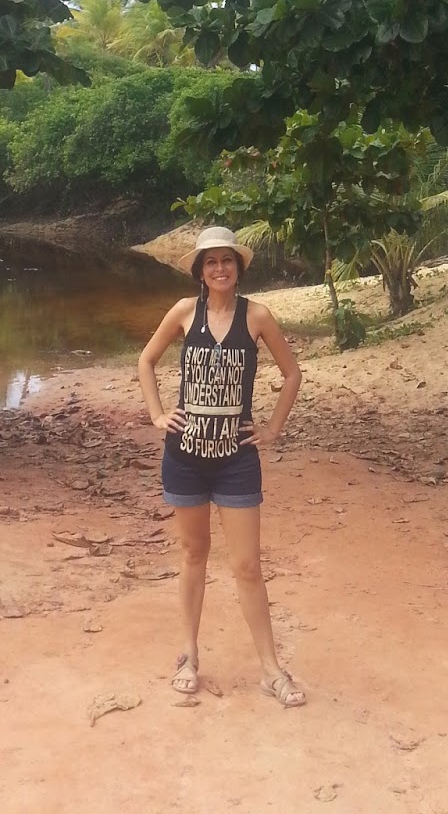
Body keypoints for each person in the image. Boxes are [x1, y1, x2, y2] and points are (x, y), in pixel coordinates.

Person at [137, 225, 306, 707]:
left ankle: (271, 670)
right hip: (185, 459)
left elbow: (292, 374)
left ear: (238, 266)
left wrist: (272, 429)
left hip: (236, 461)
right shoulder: (183, 313)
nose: (219, 269)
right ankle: (188, 656)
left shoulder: (257, 316)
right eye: (210, 262)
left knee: (247, 566)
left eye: (226, 260)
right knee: (194, 555)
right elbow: (146, 361)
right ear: (200, 271)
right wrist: (157, 414)